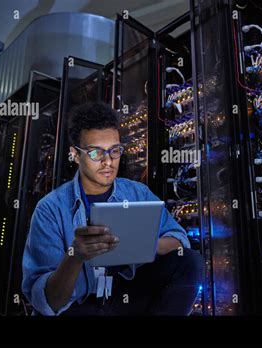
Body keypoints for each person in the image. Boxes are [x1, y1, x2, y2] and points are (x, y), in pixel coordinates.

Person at [22, 102, 203, 316]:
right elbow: (49, 302)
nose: (108, 162)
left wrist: (143, 244)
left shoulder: (137, 194)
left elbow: (179, 240)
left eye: (115, 151)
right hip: (79, 306)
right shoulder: (51, 208)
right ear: (75, 155)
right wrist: (75, 257)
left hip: (124, 299)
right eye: (95, 153)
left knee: (190, 261)